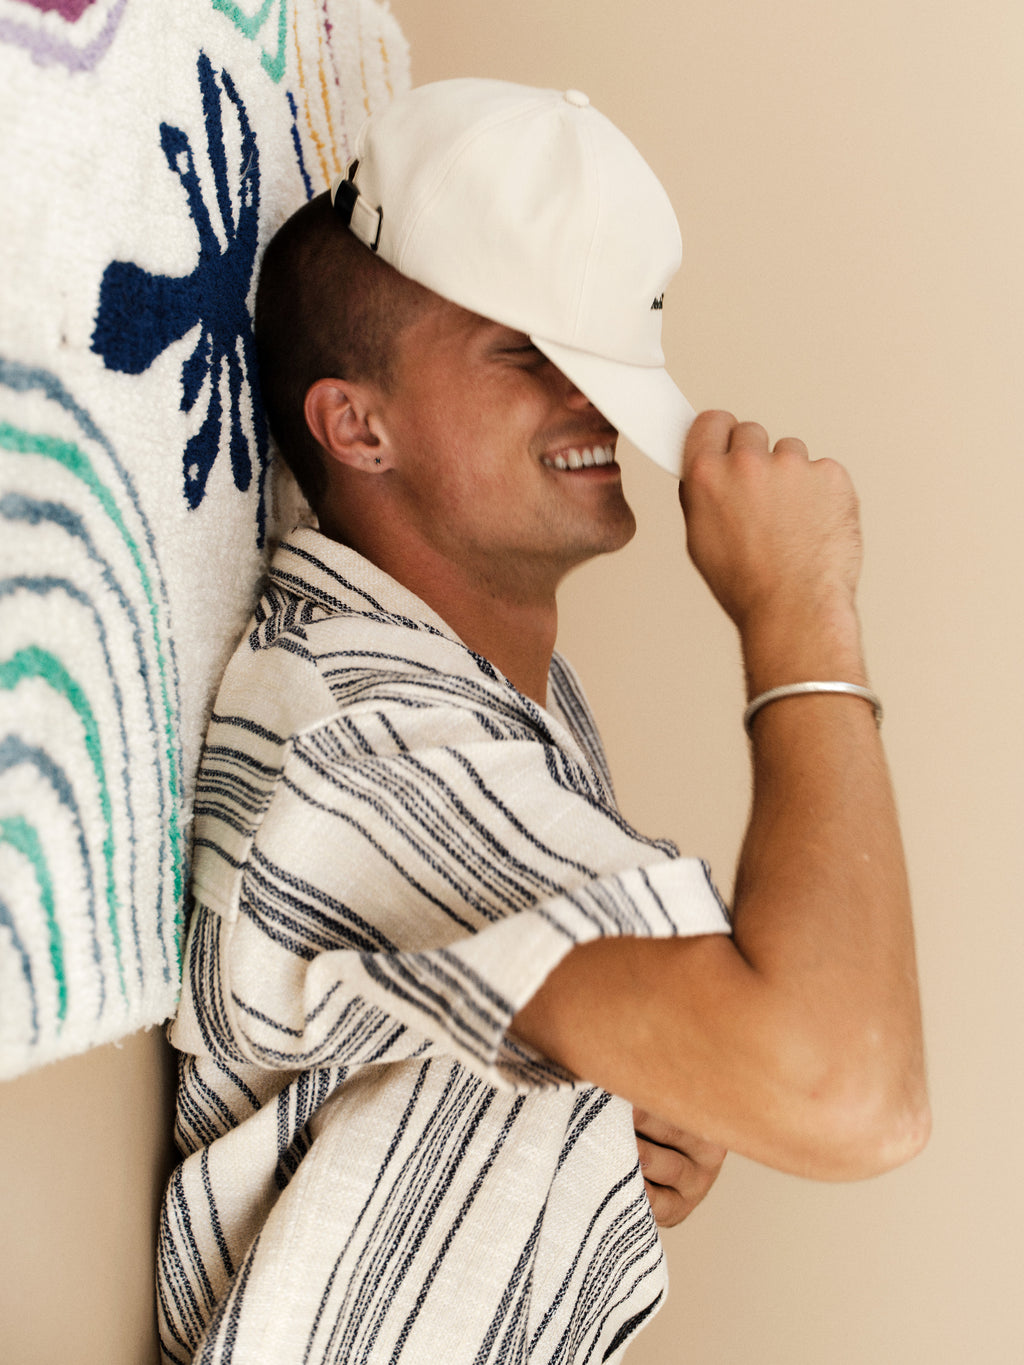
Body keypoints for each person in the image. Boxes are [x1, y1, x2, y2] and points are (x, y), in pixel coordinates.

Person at [157, 79, 929, 1365]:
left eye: (599, 350)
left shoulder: (495, 698)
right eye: (526, 351)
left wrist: (643, 1096)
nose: (592, 401)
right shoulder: (369, 739)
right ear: (357, 423)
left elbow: (763, 1066)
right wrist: (799, 618)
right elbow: (850, 1090)